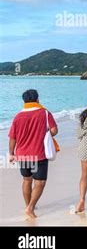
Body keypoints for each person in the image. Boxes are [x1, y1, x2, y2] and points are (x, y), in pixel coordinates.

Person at [8, 89, 58, 219]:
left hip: (23, 155)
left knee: (26, 179)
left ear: (24, 101)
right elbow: (54, 131)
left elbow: (12, 138)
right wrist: (44, 132)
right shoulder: (45, 113)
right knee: (40, 182)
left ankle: (28, 205)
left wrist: (11, 153)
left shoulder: (18, 116)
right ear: (37, 99)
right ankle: (30, 208)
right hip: (38, 154)